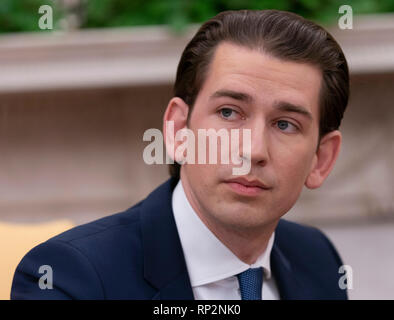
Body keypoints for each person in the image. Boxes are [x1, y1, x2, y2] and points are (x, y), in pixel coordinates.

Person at [11, 9, 349, 300]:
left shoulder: (318, 259)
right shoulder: (70, 278)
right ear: (177, 130)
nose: (253, 151)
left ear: (321, 159)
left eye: (285, 124)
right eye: (229, 113)